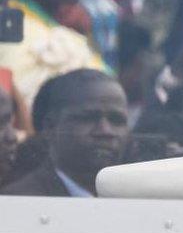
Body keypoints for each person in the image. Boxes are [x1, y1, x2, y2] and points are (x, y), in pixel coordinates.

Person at [1, 69, 128, 197]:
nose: (105, 131)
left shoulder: (137, 198)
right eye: (88, 118)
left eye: (117, 120)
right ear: (50, 127)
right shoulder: (20, 200)